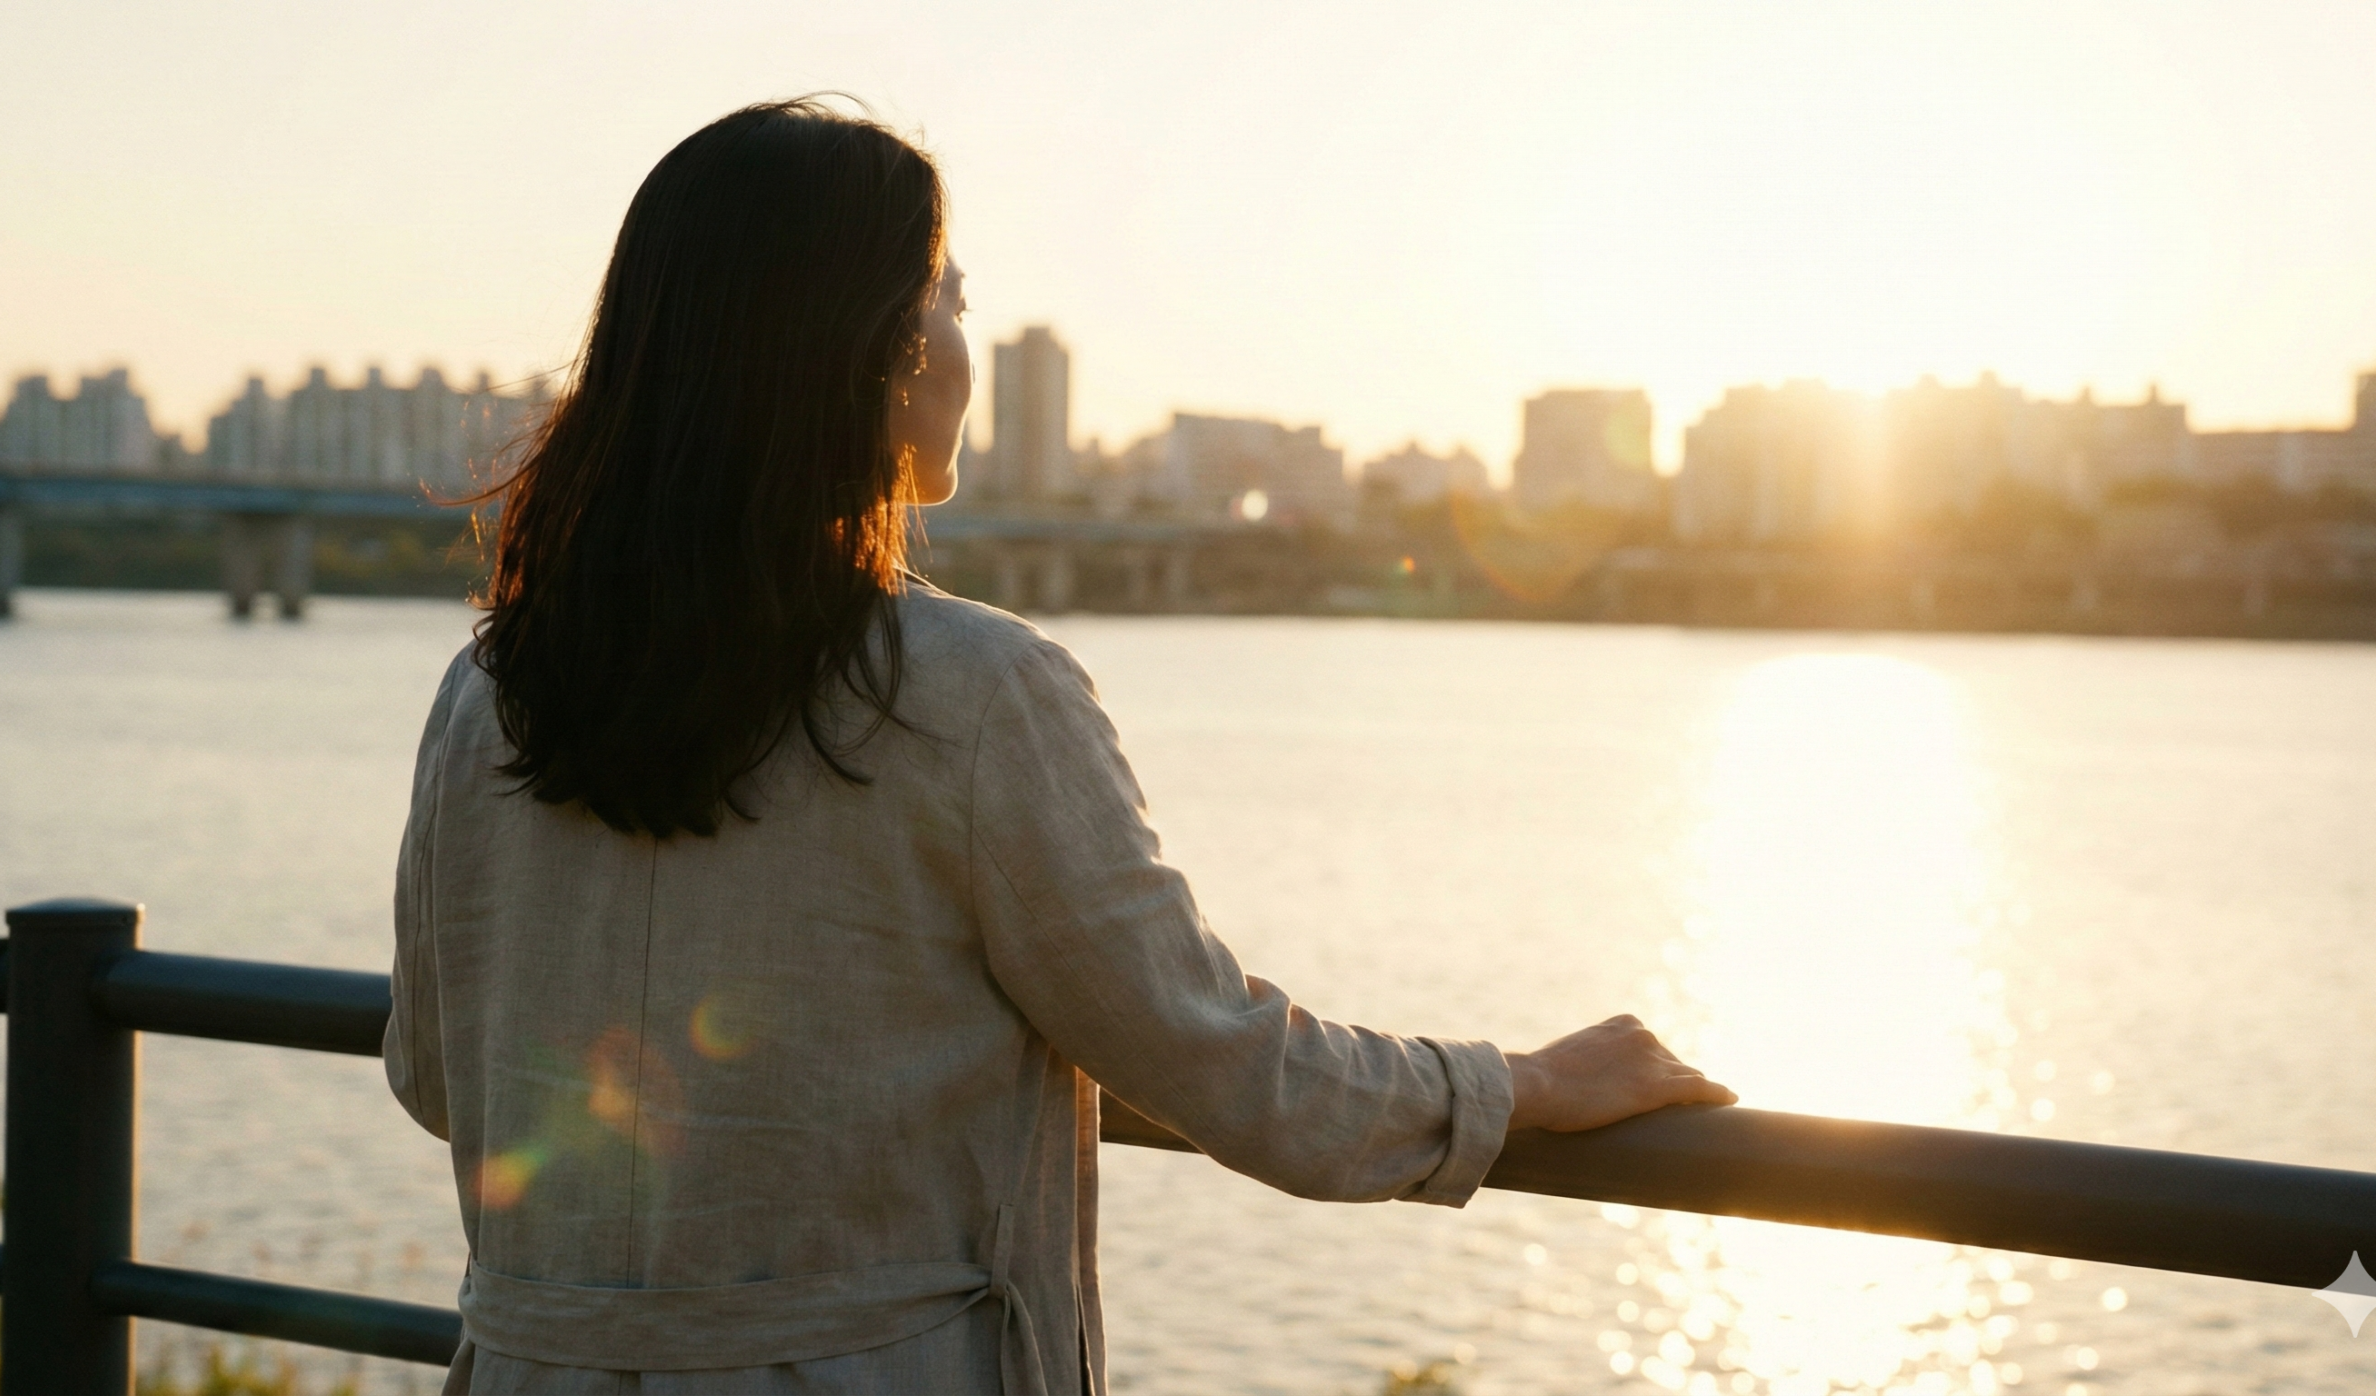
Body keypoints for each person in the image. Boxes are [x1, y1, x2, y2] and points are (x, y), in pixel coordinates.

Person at [384, 97, 1734, 1396]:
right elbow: (1220, 1062)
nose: (966, 343)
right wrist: (1521, 1086)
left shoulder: (491, 690)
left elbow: (436, 1077)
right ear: (861, 349)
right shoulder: (971, 692)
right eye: (950, 300)